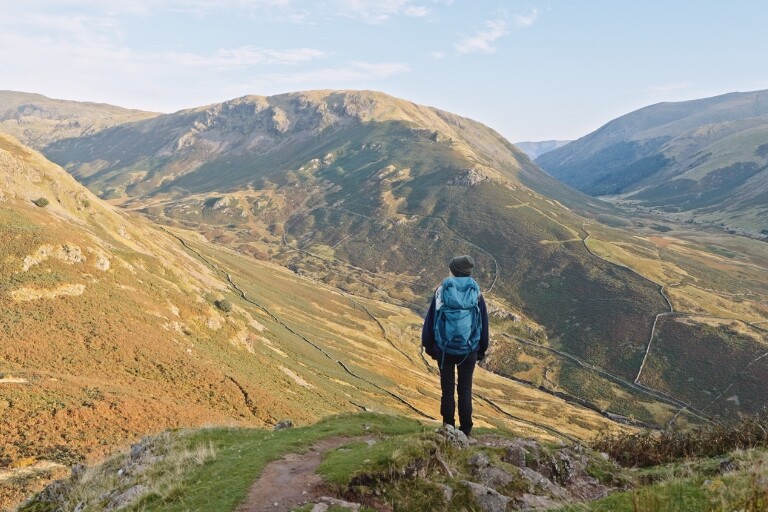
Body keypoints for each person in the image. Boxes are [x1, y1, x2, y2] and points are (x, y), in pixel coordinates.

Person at [421, 255, 489, 436]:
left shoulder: (442, 290)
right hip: (469, 349)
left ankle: (448, 428)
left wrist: (429, 346)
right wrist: (481, 349)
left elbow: (431, 320)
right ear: (468, 271)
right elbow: (483, 322)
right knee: (465, 390)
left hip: (444, 349)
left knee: (447, 391)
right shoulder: (476, 292)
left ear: (453, 270)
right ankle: (466, 430)